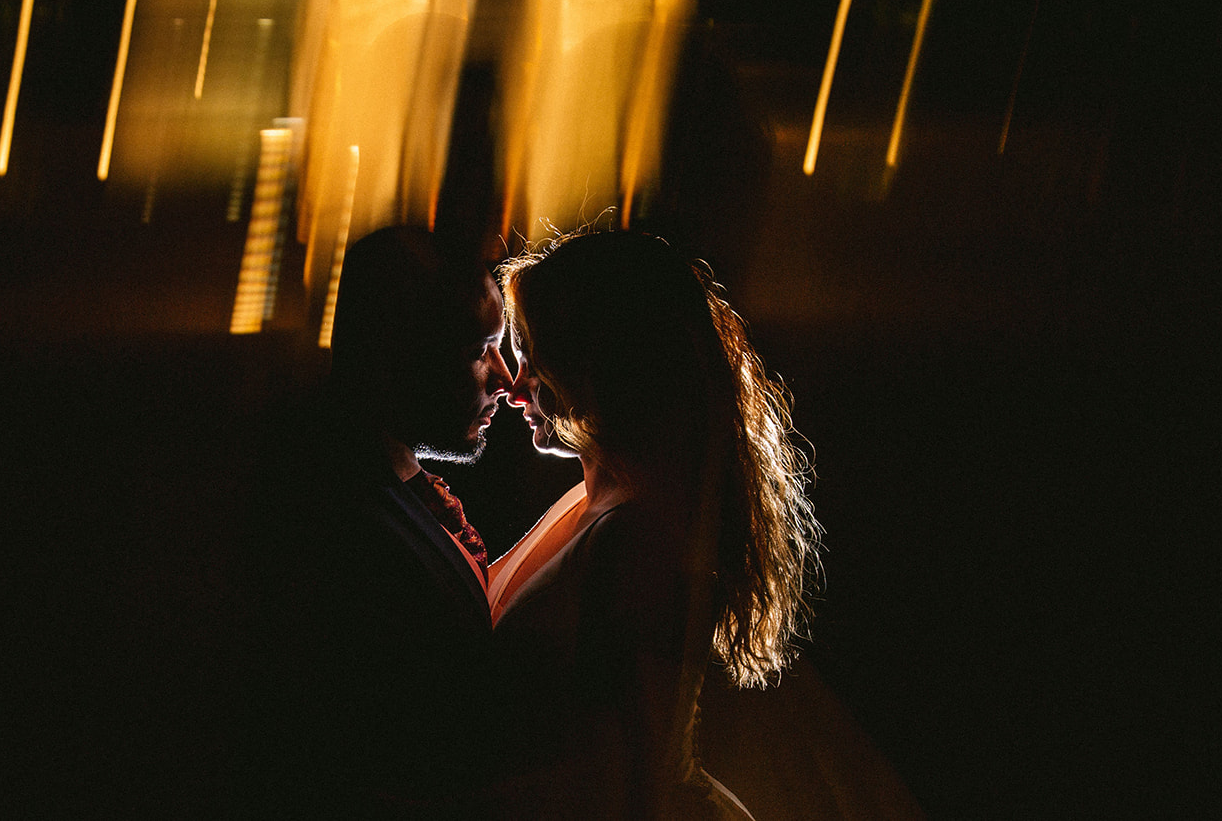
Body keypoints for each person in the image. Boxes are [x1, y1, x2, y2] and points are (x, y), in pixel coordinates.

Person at [484, 229, 824, 820]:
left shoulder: (635, 536)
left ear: (595, 362)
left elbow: (639, 773)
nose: (515, 386)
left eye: (534, 358)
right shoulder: (590, 503)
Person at [239, 225, 513, 817]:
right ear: (401, 352)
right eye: (477, 350)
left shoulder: (384, 482)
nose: (504, 376)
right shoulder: (337, 518)